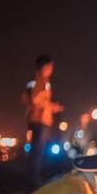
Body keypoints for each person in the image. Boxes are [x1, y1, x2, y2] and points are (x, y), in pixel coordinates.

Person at [22, 54, 64, 185]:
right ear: (45, 66)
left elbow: (26, 98)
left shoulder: (35, 81)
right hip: (39, 121)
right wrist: (51, 106)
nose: (51, 69)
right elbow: (36, 99)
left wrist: (49, 106)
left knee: (37, 151)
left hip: (37, 120)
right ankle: (34, 181)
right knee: (37, 152)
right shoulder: (41, 81)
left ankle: (34, 179)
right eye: (50, 66)